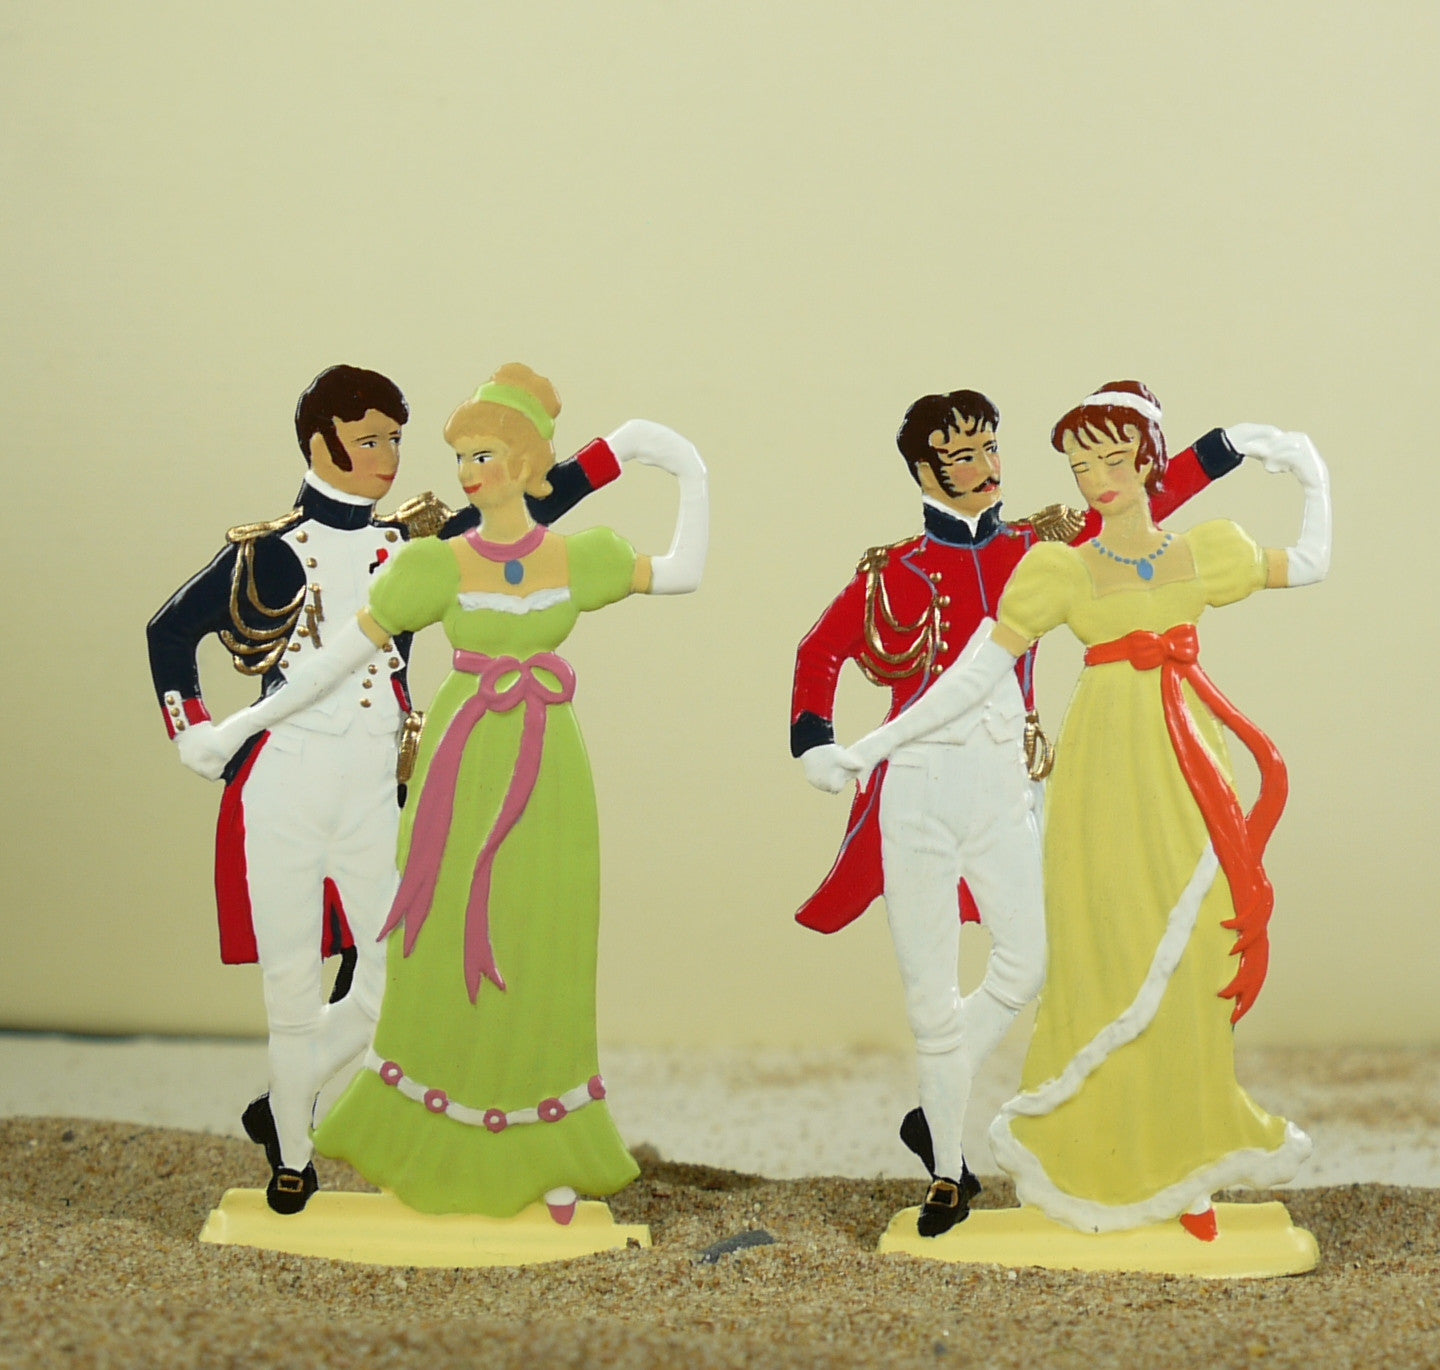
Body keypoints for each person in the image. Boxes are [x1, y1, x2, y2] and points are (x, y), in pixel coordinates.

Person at [202, 363, 708, 1220]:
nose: (465, 473)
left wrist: (683, 469)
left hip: (549, 762)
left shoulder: (576, 558)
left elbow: (680, 569)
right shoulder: (434, 564)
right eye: (461, 456)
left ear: (523, 464)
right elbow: (334, 661)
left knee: (543, 940)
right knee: (435, 949)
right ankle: (398, 1133)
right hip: (462, 759)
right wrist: (238, 726)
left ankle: (544, 1148)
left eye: (483, 455)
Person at [836, 382, 1329, 1240]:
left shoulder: (1205, 552)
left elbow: (1310, 562)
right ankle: (1102, 1161)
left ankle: (1190, 1160)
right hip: (1102, 770)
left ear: (1146, 459)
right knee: (1105, 949)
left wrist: (1309, 474)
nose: (1097, 478)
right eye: (1079, 465)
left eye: (1112, 458)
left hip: (1187, 758)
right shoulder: (1059, 569)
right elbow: (977, 670)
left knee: (1198, 942)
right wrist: (879, 742)